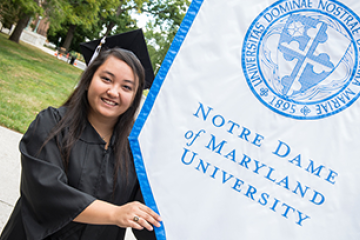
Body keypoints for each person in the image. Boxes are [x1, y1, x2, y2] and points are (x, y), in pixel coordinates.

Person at [0, 47, 161, 240]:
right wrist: (115, 214)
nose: (113, 92)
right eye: (106, 79)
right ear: (88, 80)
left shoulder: (136, 150)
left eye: (126, 87)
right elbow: (45, 194)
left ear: (135, 97)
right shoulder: (52, 124)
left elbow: (150, 217)